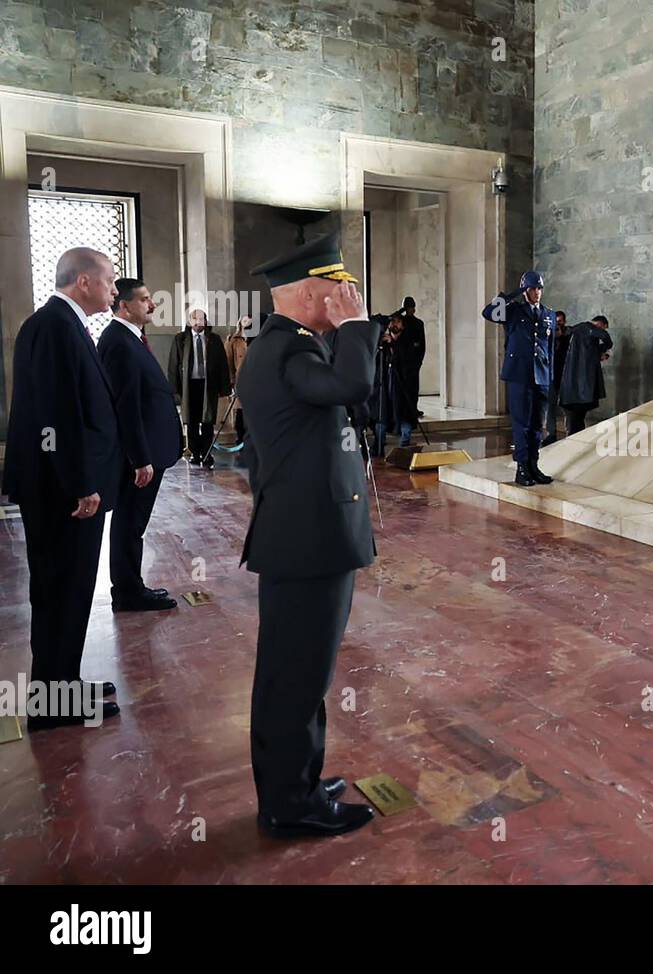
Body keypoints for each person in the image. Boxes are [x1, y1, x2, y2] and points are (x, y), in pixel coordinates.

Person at [239, 231, 380, 838]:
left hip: (303, 534)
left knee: (298, 672)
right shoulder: (290, 352)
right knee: (297, 675)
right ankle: (290, 805)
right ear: (311, 293)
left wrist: (348, 333)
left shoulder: (288, 346)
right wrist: (358, 326)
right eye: (340, 287)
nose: (349, 295)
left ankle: (295, 782)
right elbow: (354, 388)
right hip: (307, 539)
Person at [2, 248, 123, 730]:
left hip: (62, 486)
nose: (115, 289)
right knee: (61, 590)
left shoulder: (62, 324)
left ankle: (62, 686)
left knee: (69, 591)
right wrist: (81, 483)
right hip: (63, 492)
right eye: (110, 280)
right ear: (85, 282)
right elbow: (56, 415)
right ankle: (52, 704)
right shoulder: (54, 326)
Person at [99, 277, 183, 612]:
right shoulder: (119, 342)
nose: (152, 304)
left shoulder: (130, 338)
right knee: (130, 521)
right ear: (125, 305)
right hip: (140, 454)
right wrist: (139, 458)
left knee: (134, 522)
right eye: (145, 299)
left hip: (147, 448)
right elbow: (125, 405)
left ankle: (130, 586)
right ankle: (128, 592)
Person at [482, 270, 557, 486]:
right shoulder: (513, 311)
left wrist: (549, 376)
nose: (537, 292)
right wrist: (513, 293)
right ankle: (521, 468)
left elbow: (549, 348)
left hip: (541, 376)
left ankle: (533, 465)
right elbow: (487, 312)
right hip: (519, 375)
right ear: (526, 290)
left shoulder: (549, 314)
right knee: (522, 424)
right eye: (533, 288)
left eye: (540, 288)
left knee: (536, 425)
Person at [167, 307, 232, 467]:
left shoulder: (214, 339)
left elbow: (222, 364)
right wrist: (174, 389)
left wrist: (225, 388)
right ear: (189, 321)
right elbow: (173, 365)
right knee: (192, 421)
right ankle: (195, 454)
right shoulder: (180, 339)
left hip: (208, 385)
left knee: (208, 420)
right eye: (194, 319)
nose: (198, 322)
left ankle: (207, 453)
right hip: (189, 386)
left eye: (201, 319)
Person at [559, 314, 614, 433]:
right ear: (601, 325)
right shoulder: (590, 330)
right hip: (581, 387)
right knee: (576, 418)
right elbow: (606, 339)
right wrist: (604, 348)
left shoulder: (576, 330)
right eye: (603, 328)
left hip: (571, 386)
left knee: (574, 419)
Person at [372, 313, 412, 454]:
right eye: (392, 322)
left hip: (401, 386)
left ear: (403, 325)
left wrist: (393, 343)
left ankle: (405, 445)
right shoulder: (383, 341)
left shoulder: (406, 341)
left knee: (403, 414)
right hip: (384, 385)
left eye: (398, 322)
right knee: (381, 414)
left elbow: (407, 359)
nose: (394, 324)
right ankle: (379, 444)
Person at [393, 296, 425, 419]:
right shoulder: (401, 322)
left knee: (413, 387)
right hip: (401, 360)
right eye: (408, 308)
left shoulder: (418, 323)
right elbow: (391, 318)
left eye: (411, 307)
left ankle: (413, 409)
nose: (410, 310)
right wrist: (401, 311)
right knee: (402, 386)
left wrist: (419, 361)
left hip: (413, 361)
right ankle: (402, 410)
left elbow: (422, 344)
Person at [542, 310, 569, 445]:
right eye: (556, 322)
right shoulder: (547, 337)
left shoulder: (569, 337)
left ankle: (570, 432)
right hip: (551, 378)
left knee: (568, 408)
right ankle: (550, 434)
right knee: (550, 407)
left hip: (565, 378)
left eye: (560, 322)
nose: (558, 324)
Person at [226, 315, 254, 444]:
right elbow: (229, 361)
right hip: (240, 380)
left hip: (255, 381)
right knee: (240, 413)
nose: (247, 322)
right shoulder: (234, 340)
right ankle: (240, 440)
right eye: (244, 320)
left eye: (249, 320)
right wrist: (231, 380)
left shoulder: (256, 339)